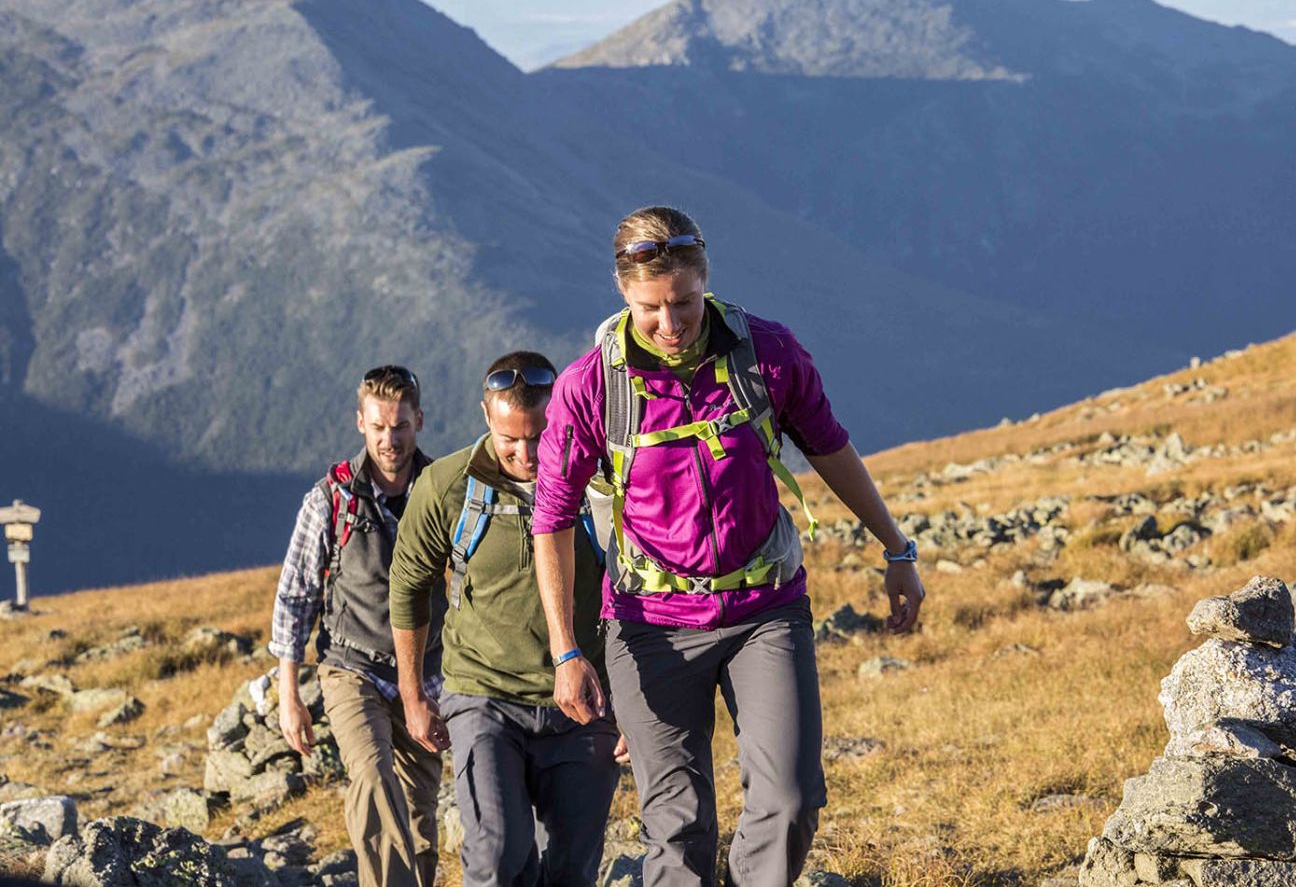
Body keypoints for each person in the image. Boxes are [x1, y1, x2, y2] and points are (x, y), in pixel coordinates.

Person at [532, 206, 926, 885]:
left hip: (765, 610)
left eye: (684, 301)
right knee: (677, 828)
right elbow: (552, 518)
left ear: (705, 281)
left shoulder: (766, 352)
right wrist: (567, 648)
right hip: (649, 626)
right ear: (623, 294)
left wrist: (896, 549)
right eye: (651, 307)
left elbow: (828, 446)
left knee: (792, 800)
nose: (671, 322)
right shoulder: (591, 386)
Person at [389, 351, 623, 887]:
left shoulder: (601, 484)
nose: (525, 453)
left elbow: (636, 590)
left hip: (585, 705)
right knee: (496, 856)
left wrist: (631, 704)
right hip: (483, 697)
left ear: (561, 414)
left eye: (539, 436)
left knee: (571, 870)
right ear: (485, 417)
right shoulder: (448, 488)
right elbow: (408, 589)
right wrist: (412, 695)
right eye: (508, 438)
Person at [268, 365, 446, 887]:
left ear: (419, 420)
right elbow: (295, 596)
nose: (390, 440)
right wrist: (288, 694)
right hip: (352, 669)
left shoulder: (443, 494)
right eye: (378, 427)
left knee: (419, 815)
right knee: (371, 777)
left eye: (401, 426)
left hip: (428, 677)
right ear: (360, 424)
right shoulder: (330, 499)